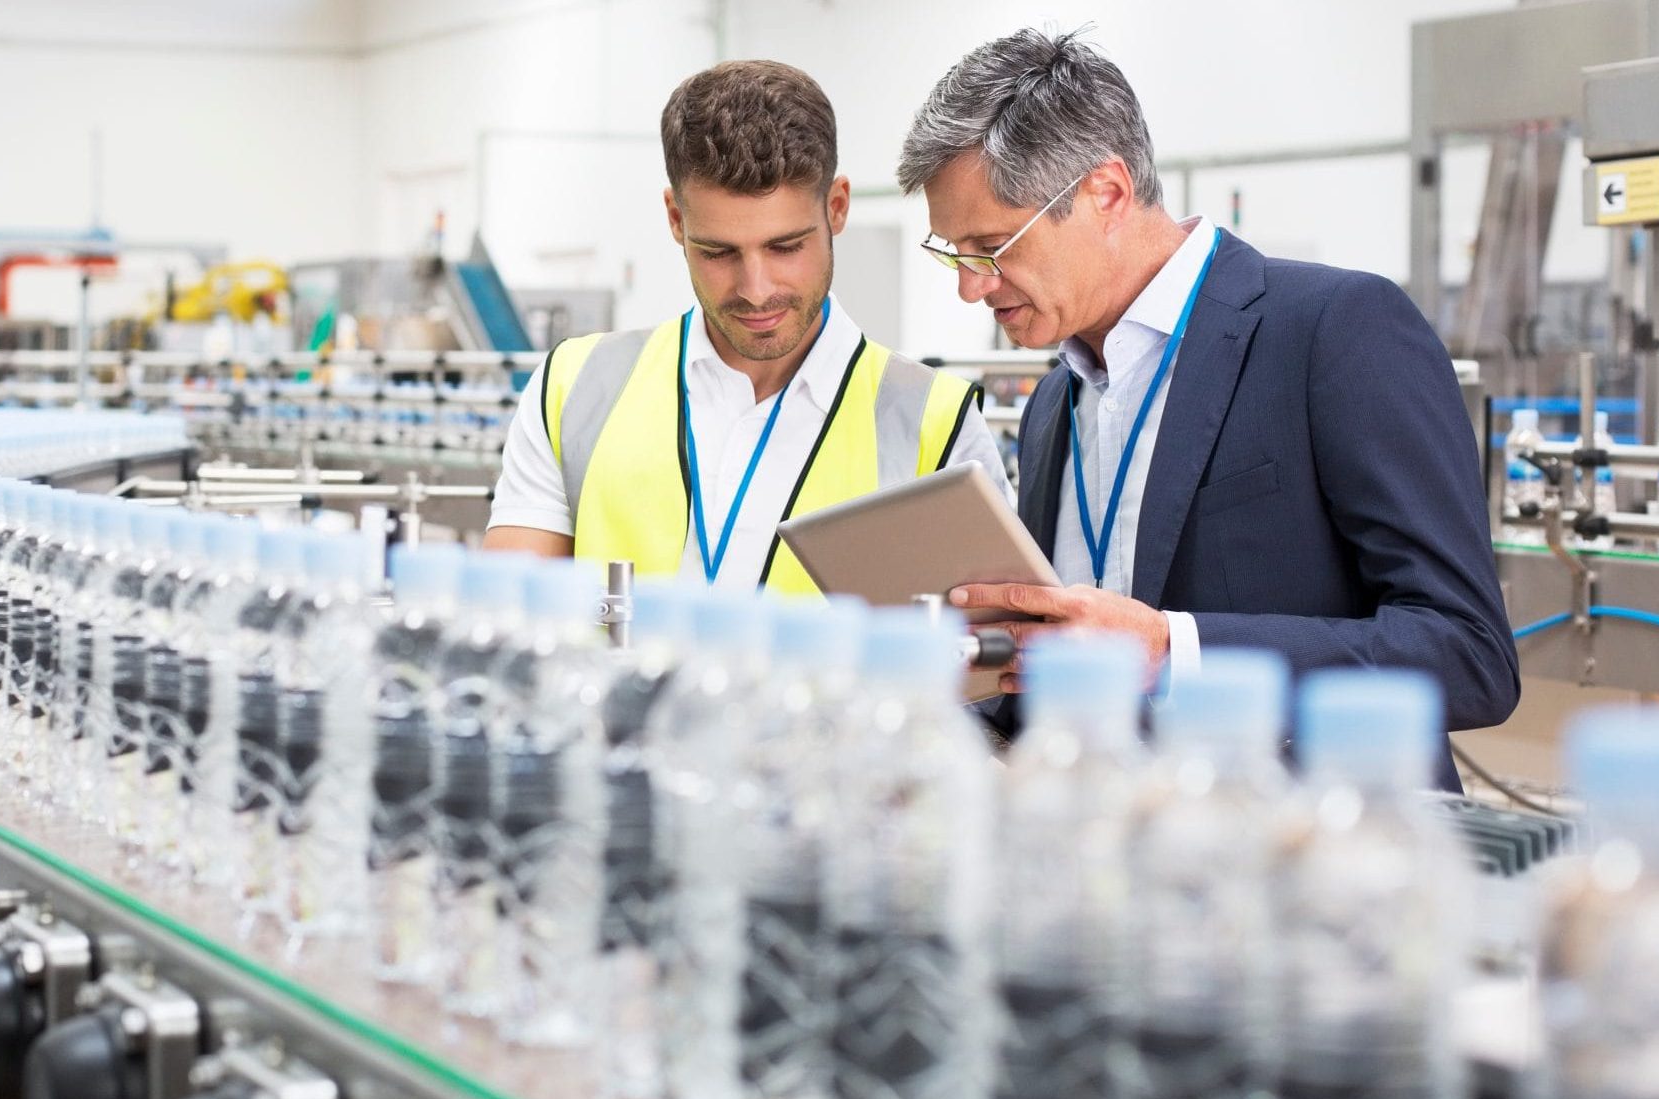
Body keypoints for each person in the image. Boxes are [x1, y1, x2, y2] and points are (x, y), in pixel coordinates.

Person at [900, 30, 1517, 770]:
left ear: (1107, 193)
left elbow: (1469, 654)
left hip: (1310, 849)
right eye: (955, 254)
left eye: (992, 247)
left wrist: (1174, 650)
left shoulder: (1334, 330)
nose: (970, 286)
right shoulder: (1054, 403)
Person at [485, 59, 1008, 593]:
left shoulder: (936, 426)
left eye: (785, 247)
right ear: (675, 219)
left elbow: (981, 663)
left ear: (837, 207)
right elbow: (506, 623)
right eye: (718, 252)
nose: (755, 289)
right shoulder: (574, 388)